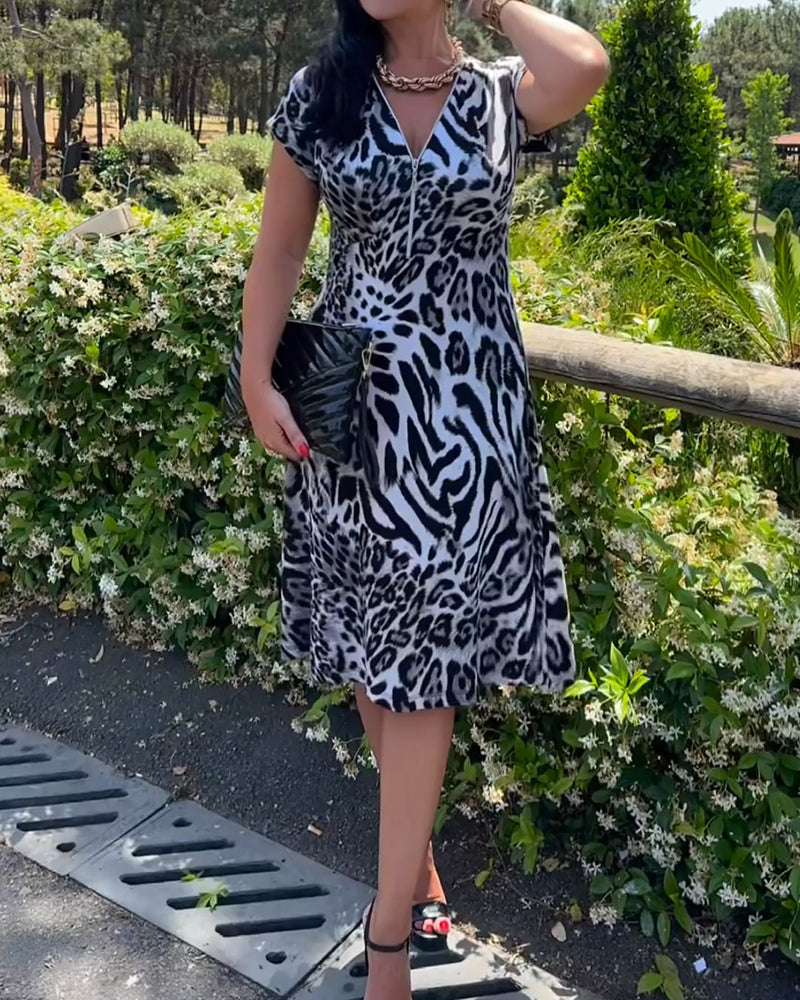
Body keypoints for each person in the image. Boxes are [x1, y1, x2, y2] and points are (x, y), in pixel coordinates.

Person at [241, 1, 608, 997]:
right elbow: (280, 251)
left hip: (465, 421)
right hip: (354, 413)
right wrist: (256, 378)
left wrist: (492, 4)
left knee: (422, 666)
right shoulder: (322, 91)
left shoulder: (496, 96)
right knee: (379, 650)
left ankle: (389, 937)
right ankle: (417, 865)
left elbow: (585, 62)